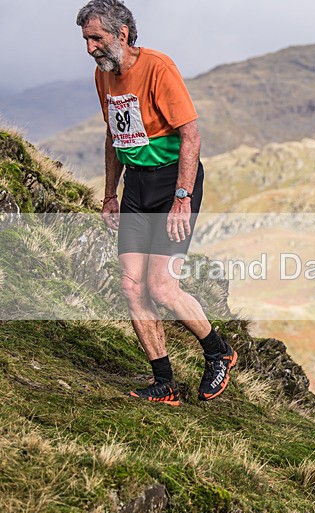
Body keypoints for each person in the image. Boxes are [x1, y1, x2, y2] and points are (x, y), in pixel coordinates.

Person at [77, 0, 236, 406]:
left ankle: (218, 351)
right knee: (132, 287)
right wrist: (111, 194)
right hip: (136, 187)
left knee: (162, 288)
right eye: (86, 39)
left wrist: (182, 198)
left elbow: (192, 136)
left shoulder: (158, 67)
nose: (90, 47)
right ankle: (164, 381)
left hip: (172, 185)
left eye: (96, 38)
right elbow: (113, 136)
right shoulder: (103, 74)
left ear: (122, 34)